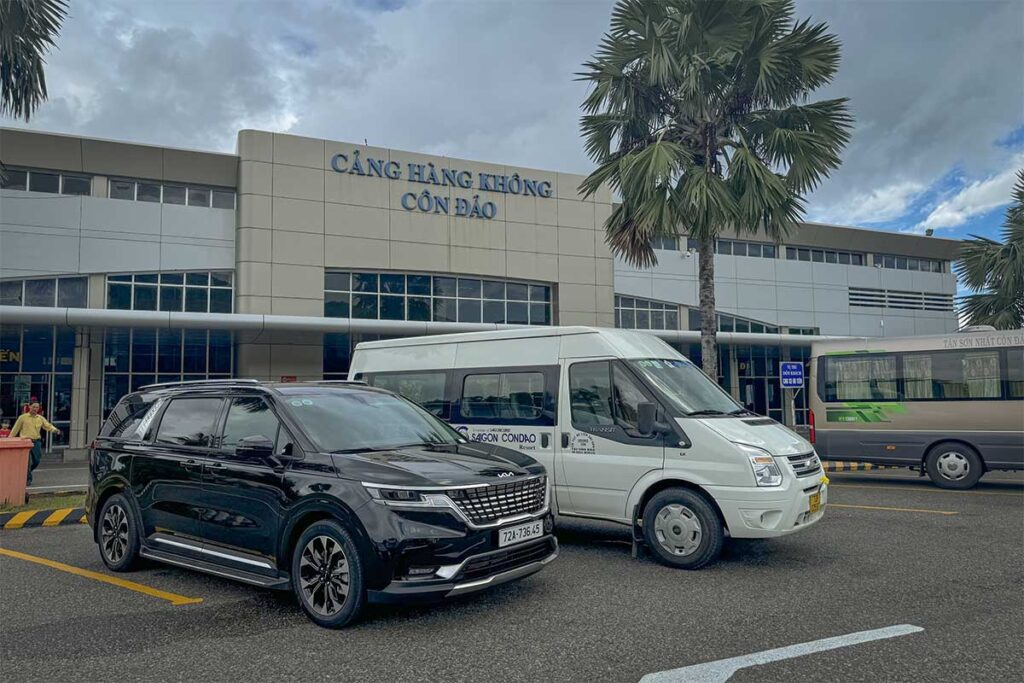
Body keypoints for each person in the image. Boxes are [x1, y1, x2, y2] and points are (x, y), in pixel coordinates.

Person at [9, 403, 61, 485]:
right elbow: (15, 429)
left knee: (36, 460)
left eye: (37, 407)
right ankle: (28, 479)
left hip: (36, 442)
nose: (35, 409)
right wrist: (9, 440)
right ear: (29, 407)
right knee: (28, 462)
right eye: (33, 407)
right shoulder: (22, 417)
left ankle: (25, 473)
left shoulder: (40, 418)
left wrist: (55, 430)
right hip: (25, 442)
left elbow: (48, 426)